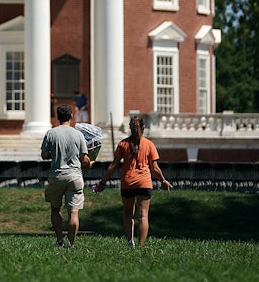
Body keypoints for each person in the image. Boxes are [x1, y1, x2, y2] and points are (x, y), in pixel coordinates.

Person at [95, 114, 171, 247]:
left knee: (128, 213)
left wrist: (103, 182)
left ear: (130, 128)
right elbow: (155, 168)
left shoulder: (123, 144)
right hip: (144, 183)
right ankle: (141, 246)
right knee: (143, 216)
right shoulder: (149, 144)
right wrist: (163, 181)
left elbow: (113, 165)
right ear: (143, 128)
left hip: (127, 182)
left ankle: (130, 241)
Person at [41, 103, 93, 249]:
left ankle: (59, 240)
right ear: (71, 116)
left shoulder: (51, 133)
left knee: (55, 209)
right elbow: (84, 160)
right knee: (73, 213)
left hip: (57, 175)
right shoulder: (78, 134)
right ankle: (71, 244)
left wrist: (55, 153)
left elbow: (44, 154)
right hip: (75, 176)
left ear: (57, 117)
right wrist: (90, 163)